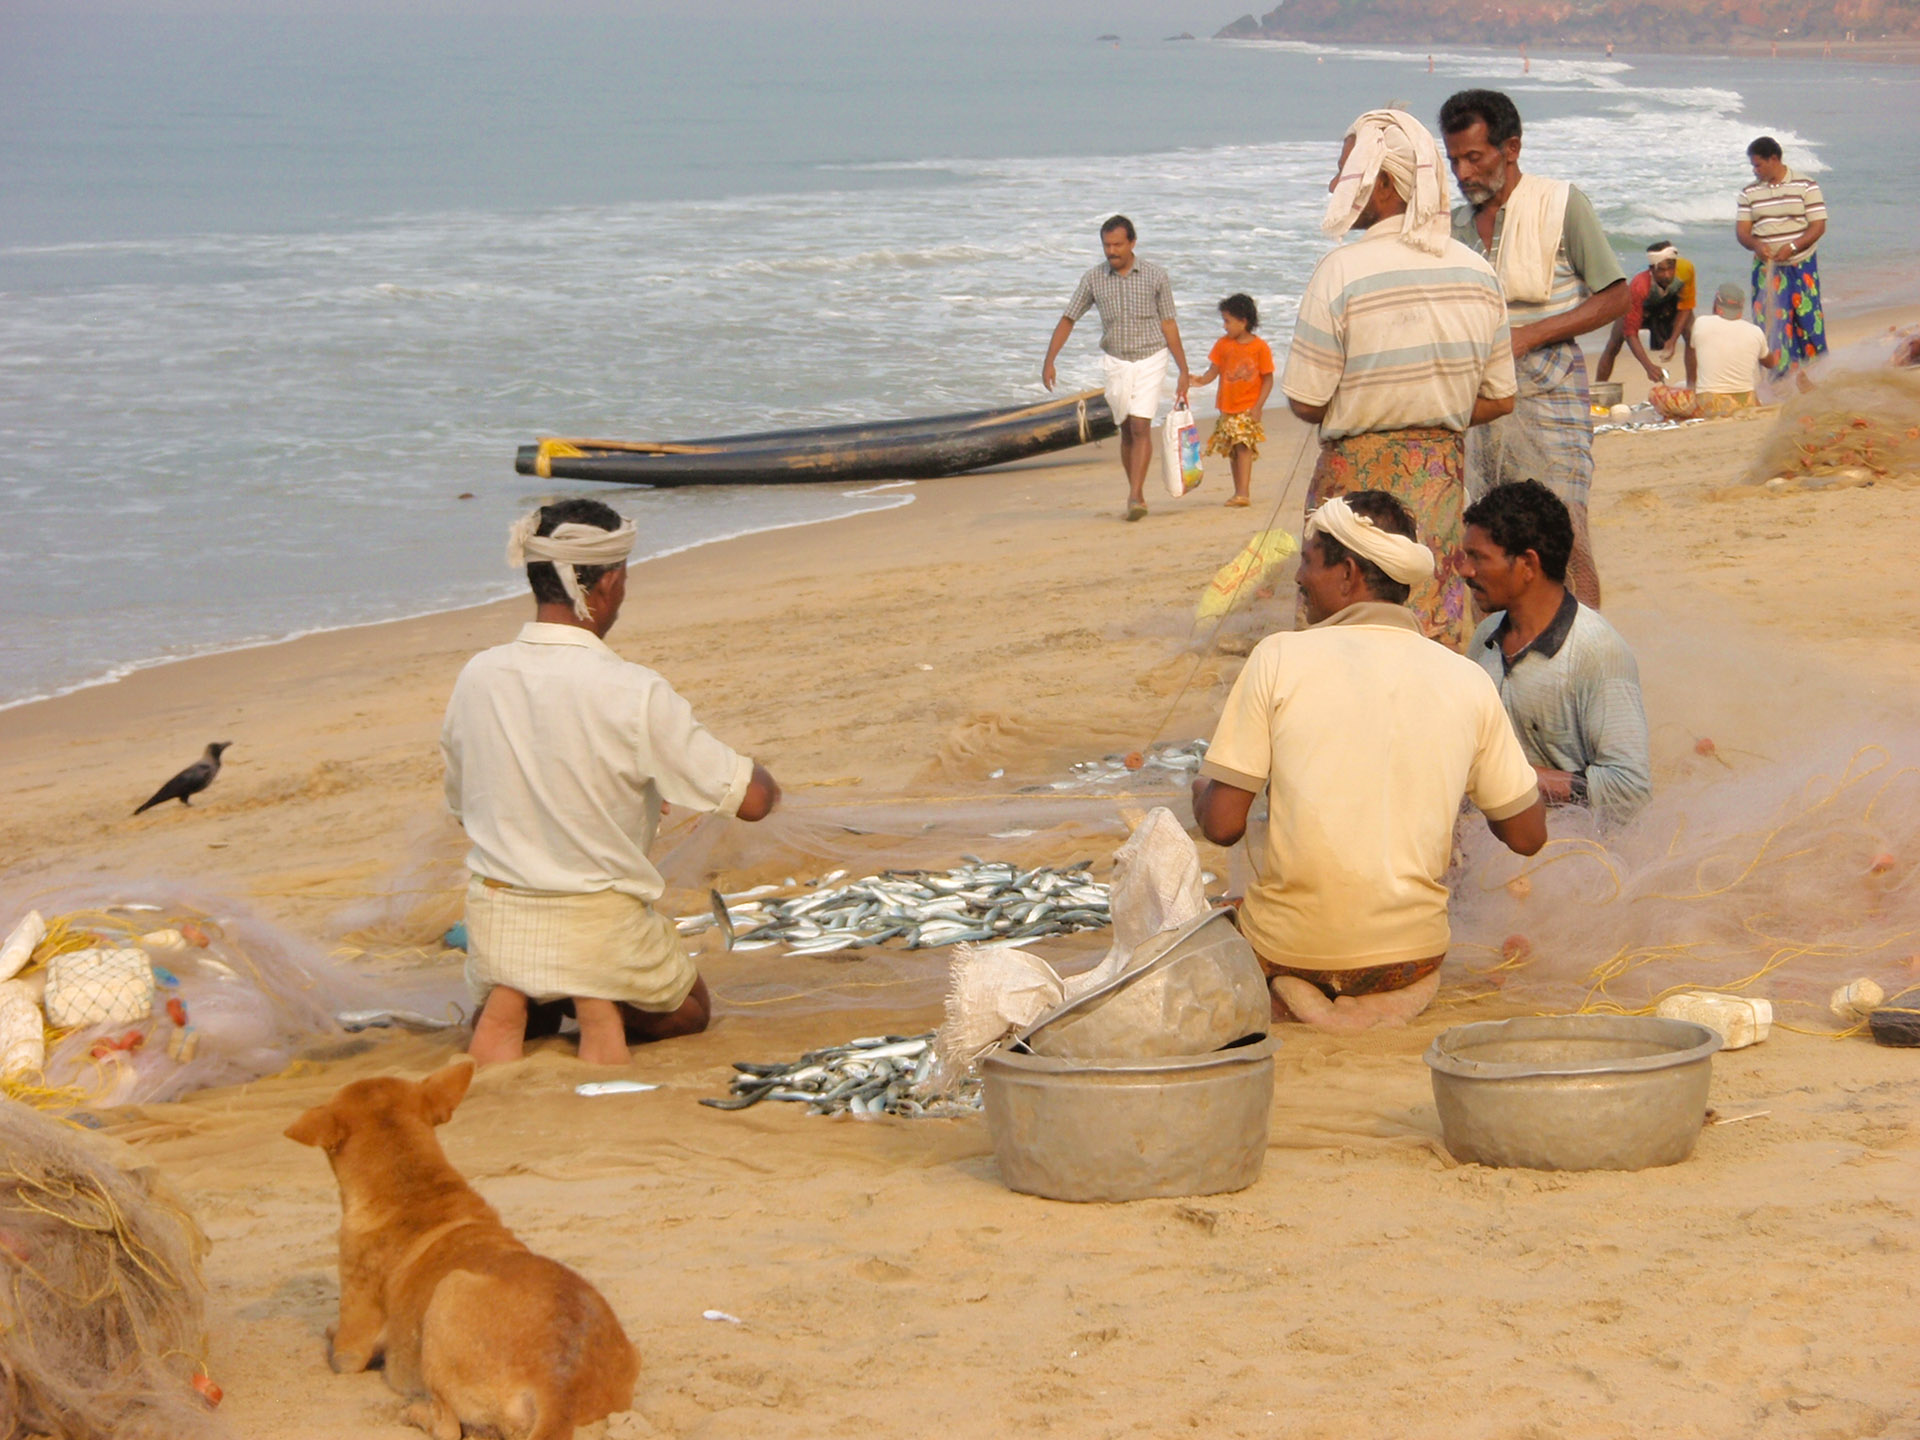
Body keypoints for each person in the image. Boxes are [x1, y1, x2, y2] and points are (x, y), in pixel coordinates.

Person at [1191, 491, 1546, 1034]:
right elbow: (1526, 834)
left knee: (1221, 921)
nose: (1298, 578)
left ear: (1348, 573)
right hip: (1410, 956)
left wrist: (1202, 786)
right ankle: (1377, 995)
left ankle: (1300, 990)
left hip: (1293, 950)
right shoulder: (1467, 679)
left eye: (1308, 561)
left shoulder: (1278, 657)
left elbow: (1221, 825)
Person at [441, 499, 781, 1067]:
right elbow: (752, 802)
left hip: (501, 918)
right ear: (609, 581)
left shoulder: (478, 674)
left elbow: (463, 807)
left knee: (514, 993)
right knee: (690, 1010)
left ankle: (530, 995)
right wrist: (765, 775)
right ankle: (588, 993)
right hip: (596, 923)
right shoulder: (631, 688)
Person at [1282, 108, 1517, 651]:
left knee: (1340, 626)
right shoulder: (1478, 272)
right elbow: (1500, 397)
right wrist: (1436, 414)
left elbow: (1305, 400)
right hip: (1439, 482)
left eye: (1345, 172)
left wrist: (1371, 407)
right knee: (1428, 622)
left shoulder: (1340, 271)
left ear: (1384, 183)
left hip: (1353, 484)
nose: (1333, 184)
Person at [1440, 88, 1628, 609]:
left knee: (1565, 537)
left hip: (1551, 397)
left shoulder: (1561, 205)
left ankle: (1581, 652)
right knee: (1488, 544)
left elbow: (1617, 295)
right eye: (1454, 159)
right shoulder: (1452, 228)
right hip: (1480, 409)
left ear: (1512, 148)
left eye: (1474, 157)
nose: (1462, 172)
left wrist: (1530, 335)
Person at [1460, 480, 1652, 824]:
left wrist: (1506, 774)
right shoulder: (1487, 635)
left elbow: (1630, 789)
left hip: (1577, 853)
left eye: (1478, 558)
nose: (1465, 572)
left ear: (1528, 565)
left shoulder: (1597, 652)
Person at [1041, 215, 1192, 521]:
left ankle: (1136, 495)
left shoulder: (1155, 275)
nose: (1112, 251)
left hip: (1152, 356)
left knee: (1140, 425)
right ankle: (1134, 487)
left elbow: (1169, 323)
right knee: (1125, 428)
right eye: (1107, 245)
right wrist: (1049, 360)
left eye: (1118, 244)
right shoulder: (1093, 279)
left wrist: (1184, 370)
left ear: (1132, 243)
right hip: (1116, 362)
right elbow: (1069, 318)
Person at [1737, 136, 1829, 375]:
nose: (1754, 170)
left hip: (1801, 264)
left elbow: (1818, 226)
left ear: (1774, 159)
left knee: (1808, 320)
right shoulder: (1749, 192)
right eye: (1753, 165)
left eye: (1758, 165)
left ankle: (1817, 375)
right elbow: (1743, 232)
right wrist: (1756, 244)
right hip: (1767, 267)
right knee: (1771, 324)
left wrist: (1794, 246)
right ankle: (1779, 379)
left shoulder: (1806, 185)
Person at [1191, 293, 1274, 508]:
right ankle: (1238, 491)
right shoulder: (1223, 345)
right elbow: (1213, 372)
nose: (1224, 326)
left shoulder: (1260, 347)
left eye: (1227, 321)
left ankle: (1243, 493)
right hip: (1227, 408)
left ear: (1243, 321)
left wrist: (1258, 407)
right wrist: (1196, 381)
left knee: (1243, 446)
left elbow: (1267, 379)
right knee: (1233, 451)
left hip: (1247, 407)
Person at [1596, 242, 1698, 387]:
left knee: (1691, 334)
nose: (1667, 275)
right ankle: (1599, 389)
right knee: (1614, 343)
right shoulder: (1639, 285)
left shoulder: (1686, 270)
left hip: (1669, 303)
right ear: (1652, 269)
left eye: (1671, 269)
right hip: (1643, 307)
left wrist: (1672, 340)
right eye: (1661, 270)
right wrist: (1648, 366)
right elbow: (1630, 333)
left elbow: (1686, 306)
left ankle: (1692, 388)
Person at [1689, 281, 1780, 415]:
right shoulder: (1755, 331)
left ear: (1716, 303)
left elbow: (1695, 354)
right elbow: (1770, 363)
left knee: (1657, 394)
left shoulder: (1701, 323)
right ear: (1741, 308)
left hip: (1712, 403)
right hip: (1746, 402)